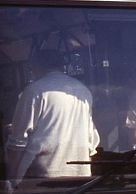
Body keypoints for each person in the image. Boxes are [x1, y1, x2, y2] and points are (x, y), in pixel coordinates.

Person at [6, 49, 100, 181]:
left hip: (41, 177)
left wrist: (11, 181)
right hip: (80, 178)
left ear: (35, 67)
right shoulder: (83, 91)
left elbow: (18, 142)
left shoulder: (34, 90)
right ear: (61, 66)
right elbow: (90, 141)